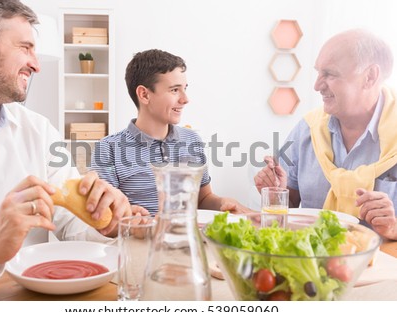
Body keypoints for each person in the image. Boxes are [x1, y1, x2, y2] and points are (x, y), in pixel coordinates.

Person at [0, 0, 131, 288]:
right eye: (25, 47)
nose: (36, 64)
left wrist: (106, 224)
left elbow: (71, 223)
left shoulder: (38, 131)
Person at [254, 29, 397, 240]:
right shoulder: (307, 129)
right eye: (318, 73)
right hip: (312, 264)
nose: (317, 85)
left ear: (370, 77)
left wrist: (394, 230)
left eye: (330, 74)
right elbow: (290, 207)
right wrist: (277, 192)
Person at [91, 49, 251, 215]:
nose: (185, 99)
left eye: (184, 89)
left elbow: (202, 199)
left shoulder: (192, 140)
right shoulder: (108, 149)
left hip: (185, 238)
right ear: (144, 94)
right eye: (175, 90)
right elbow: (106, 214)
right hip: (136, 239)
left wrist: (223, 203)